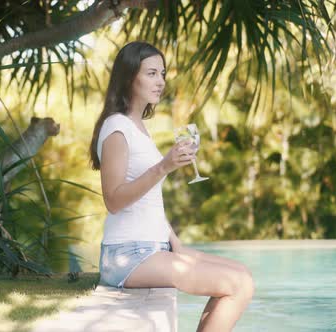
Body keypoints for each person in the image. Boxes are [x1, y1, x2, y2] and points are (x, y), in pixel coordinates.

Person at [88, 41, 254, 332]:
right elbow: (113, 200)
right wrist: (164, 166)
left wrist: (176, 244)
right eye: (151, 73)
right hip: (128, 255)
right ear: (129, 77)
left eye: (162, 73)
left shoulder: (138, 126)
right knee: (237, 285)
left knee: (242, 274)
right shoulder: (116, 127)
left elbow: (149, 199)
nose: (161, 81)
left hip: (154, 246)